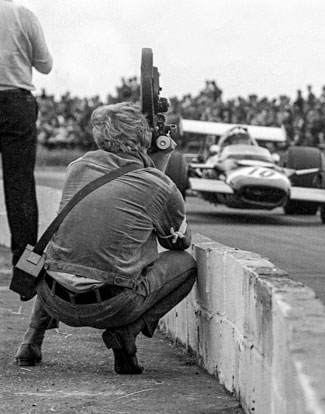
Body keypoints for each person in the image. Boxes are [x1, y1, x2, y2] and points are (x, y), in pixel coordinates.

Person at [15, 102, 197, 374]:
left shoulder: (77, 168)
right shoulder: (159, 184)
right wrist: (162, 165)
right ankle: (128, 332)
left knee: (68, 253)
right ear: (144, 139)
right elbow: (177, 242)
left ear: (100, 136)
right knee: (187, 265)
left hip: (54, 298)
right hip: (111, 307)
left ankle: (31, 339)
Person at [0, 0, 53, 266]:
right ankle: (25, 268)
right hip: (16, 101)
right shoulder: (23, 15)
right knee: (19, 186)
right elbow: (45, 65)